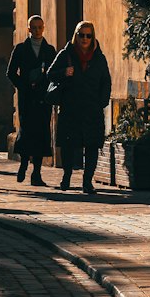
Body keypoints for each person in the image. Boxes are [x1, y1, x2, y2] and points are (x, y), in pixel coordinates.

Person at [48, 20, 111, 195]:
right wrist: (63, 72)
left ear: (92, 37)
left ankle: (87, 182)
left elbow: (106, 81)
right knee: (69, 145)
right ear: (76, 36)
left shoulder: (99, 57)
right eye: (81, 35)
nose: (85, 39)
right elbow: (50, 74)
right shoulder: (65, 54)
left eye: (88, 35)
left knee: (92, 146)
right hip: (71, 108)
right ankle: (67, 175)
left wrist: (102, 101)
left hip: (92, 109)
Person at [7, 15, 56, 186]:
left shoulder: (49, 50)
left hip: (43, 98)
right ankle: (23, 164)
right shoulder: (20, 49)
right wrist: (24, 84)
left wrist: (46, 86)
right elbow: (11, 72)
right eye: (33, 28)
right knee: (26, 131)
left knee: (42, 132)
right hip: (27, 97)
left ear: (43, 28)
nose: (36, 31)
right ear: (28, 29)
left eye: (39, 27)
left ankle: (36, 173)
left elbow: (53, 73)